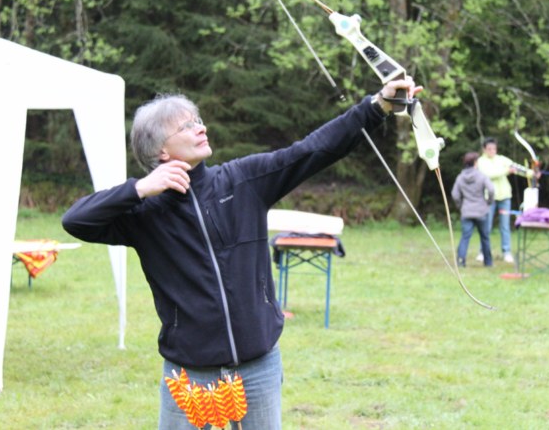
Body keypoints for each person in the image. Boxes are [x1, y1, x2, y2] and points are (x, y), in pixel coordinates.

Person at [61, 78, 417, 430]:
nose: (201, 128)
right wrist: (138, 189)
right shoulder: (144, 213)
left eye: (198, 120)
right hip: (189, 376)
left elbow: (313, 150)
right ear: (161, 152)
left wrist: (378, 106)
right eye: (186, 126)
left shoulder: (242, 181)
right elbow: (75, 220)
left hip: (257, 369)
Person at [476, 137, 534, 264]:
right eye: (489, 149)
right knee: (487, 226)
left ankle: (506, 252)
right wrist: (506, 171)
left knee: (505, 226)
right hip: (489, 198)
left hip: (505, 197)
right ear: (484, 149)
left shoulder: (502, 159)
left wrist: (531, 173)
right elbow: (489, 174)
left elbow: (516, 167)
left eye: (494, 149)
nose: (492, 151)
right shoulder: (481, 161)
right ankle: (483, 252)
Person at [451, 152, 495, 267]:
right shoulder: (482, 176)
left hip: (467, 210)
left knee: (465, 237)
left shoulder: (460, 177)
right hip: (481, 211)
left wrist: (460, 205)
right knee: (485, 237)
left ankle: (461, 262)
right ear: (475, 162)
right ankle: (488, 262)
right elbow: (491, 189)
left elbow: (455, 194)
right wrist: (488, 202)